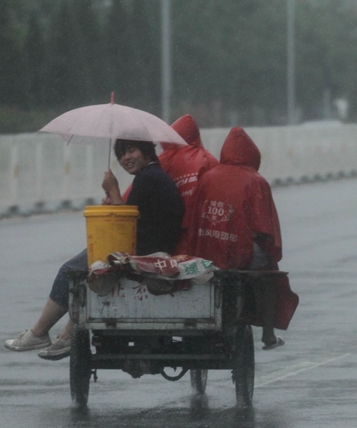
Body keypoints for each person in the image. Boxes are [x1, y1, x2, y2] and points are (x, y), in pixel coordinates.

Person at [3, 139, 183, 360]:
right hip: (148, 246)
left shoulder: (149, 178)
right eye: (121, 154)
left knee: (69, 270)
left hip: (142, 251)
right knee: (87, 276)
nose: (126, 158)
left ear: (146, 152)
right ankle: (67, 337)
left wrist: (114, 190)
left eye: (131, 151)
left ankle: (39, 332)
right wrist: (114, 201)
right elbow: (136, 216)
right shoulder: (152, 176)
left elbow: (124, 228)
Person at [186, 126, 291, 349]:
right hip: (242, 256)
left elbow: (194, 219)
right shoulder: (256, 180)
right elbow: (265, 228)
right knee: (269, 277)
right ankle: (268, 335)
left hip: (207, 253)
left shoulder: (207, 177)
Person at [122, 114, 218, 254]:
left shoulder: (162, 160)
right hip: (199, 232)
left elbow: (126, 204)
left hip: (170, 239)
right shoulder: (209, 160)